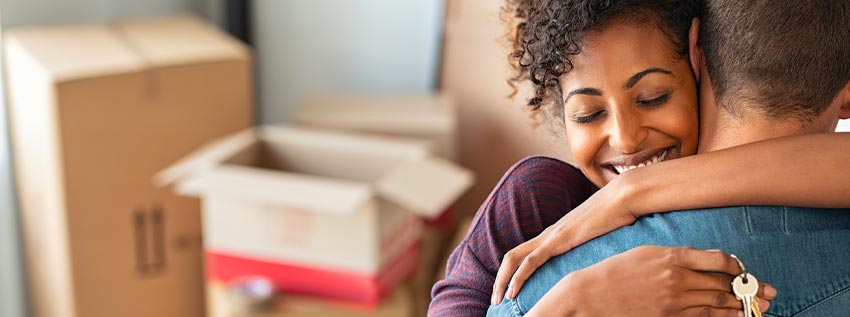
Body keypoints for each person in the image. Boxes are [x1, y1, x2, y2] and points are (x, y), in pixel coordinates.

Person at [428, 0, 850, 316]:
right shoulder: (537, 196)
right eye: (589, 114)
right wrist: (573, 303)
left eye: (653, 98)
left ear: (697, 61)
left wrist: (632, 192)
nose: (627, 139)